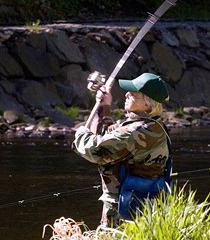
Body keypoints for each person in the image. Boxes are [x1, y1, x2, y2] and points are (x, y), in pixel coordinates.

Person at [73, 72, 172, 226]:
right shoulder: (154, 125)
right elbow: (111, 134)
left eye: (133, 94)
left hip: (123, 212)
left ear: (147, 104)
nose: (126, 95)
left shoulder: (135, 131)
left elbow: (95, 150)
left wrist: (81, 135)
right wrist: (105, 105)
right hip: (143, 204)